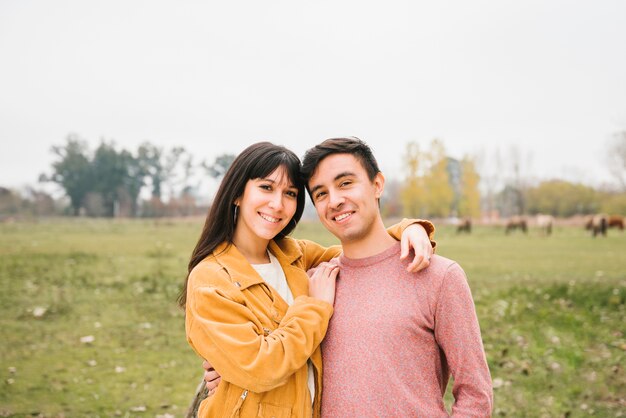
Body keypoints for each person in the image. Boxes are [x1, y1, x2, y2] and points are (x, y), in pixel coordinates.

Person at [181, 141, 436, 417]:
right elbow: (260, 367)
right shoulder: (210, 280)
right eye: (266, 188)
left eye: (290, 193)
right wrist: (316, 308)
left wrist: (409, 229)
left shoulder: (295, 255)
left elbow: (364, 254)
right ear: (237, 194)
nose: (277, 204)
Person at [300, 137, 493, 417]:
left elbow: (476, 395)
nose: (335, 200)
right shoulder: (315, 283)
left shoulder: (439, 276)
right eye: (320, 194)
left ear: (377, 184)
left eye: (345, 183)